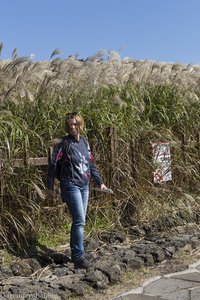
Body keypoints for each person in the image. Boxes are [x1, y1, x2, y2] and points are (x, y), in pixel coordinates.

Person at [47, 112, 107, 269]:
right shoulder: (63, 144)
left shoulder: (85, 143)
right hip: (70, 185)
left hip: (84, 185)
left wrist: (100, 182)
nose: (72, 127)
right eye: (69, 124)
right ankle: (79, 258)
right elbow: (53, 164)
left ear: (80, 124)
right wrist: (50, 185)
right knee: (79, 219)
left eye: (75, 124)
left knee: (80, 220)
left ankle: (76, 254)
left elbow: (91, 164)